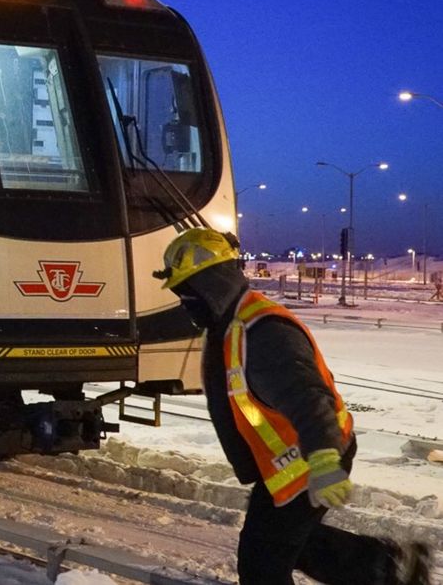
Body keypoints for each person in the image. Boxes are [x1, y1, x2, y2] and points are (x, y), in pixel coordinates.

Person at [155, 228, 431, 584]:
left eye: (188, 292)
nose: (184, 302)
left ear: (212, 284)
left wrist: (325, 459)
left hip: (312, 456)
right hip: (290, 460)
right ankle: (388, 565)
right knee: (290, 542)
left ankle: (388, 566)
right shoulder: (231, 325)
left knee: (261, 562)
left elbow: (309, 398)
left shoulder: (263, 332)